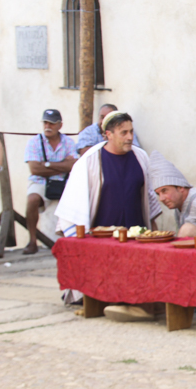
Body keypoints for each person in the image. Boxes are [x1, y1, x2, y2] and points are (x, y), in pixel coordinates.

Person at [56, 111, 162, 318]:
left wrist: (153, 231)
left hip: (135, 229)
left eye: (131, 132)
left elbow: (148, 196)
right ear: (108, 134)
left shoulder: (141, 157)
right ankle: (100, 302)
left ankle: (132, 305)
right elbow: (75, 201)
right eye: (123, 133)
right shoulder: (89, 162)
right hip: (102, 232)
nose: (130, 137)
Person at [23, 109, 79, 254]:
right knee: (32, 199)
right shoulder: (34, 142)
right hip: (40, 181)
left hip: (62, 182)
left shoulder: (68, 142)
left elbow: (73, 166)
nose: (48, 126)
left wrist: (46, 164)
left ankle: (70, 241)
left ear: (60, 125)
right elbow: (34, 169)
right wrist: (61, 165)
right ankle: (32, 240)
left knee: (78, 200)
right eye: (46, 122)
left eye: (52, 123)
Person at [76, 103, 141, 155]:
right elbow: (84, 152)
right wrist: (109, 144)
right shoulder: (88, 131)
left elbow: (135, 150)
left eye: (108, 118)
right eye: (102, 117)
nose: (104, 121)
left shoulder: (126, 131)